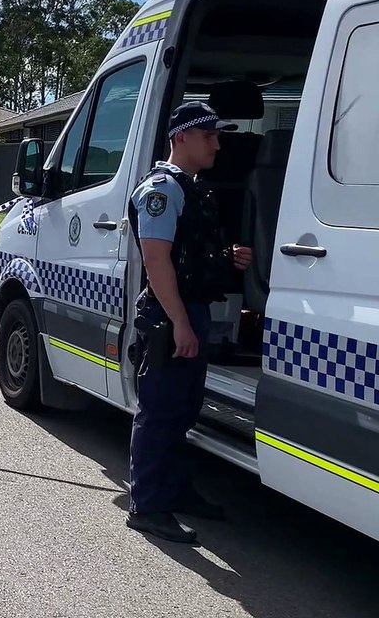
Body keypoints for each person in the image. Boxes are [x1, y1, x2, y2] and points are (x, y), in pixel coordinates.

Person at [125, 101, 253, 544]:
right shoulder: (163, 189)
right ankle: (147, 506)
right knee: (160, 412)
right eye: (209, 135)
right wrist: (180, 322)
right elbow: (156, 260)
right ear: (181, 138)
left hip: (187, 309)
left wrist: (226, 258)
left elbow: (185, 254)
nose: (218, 144)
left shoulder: (192, 187)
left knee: (183, 409)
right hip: (168, 313)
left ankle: (175, 490)